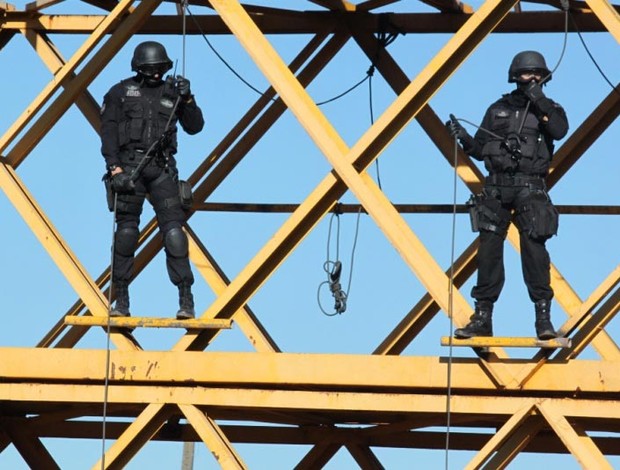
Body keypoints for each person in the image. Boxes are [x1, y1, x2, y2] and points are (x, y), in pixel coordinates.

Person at [447, 50, 568, 340]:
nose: (533, 78)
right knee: (488, 251)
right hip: (497, 187)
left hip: (531, 188)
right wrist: (463, 138)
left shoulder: (550, 108)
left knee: (534, 250)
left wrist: (538, 99)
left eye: (539, 75)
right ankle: (483, 317)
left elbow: (559, 130)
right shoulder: (497, 109)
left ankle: (543, 319)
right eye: (528, 74)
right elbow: (480, 149)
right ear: (516, 77)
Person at [100, 40, 204, 319]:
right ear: (139, 68)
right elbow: (108, 135)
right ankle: (120, 299)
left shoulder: (174, 92)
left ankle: (186, 298)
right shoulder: (119, 93)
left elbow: (195, 127)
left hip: (162, 170)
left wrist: (189, 99)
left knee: (174, 233)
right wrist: (115, 170)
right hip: (129, 171)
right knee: (126, 234)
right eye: (151, 69)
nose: (157, 74)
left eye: (160, 69)